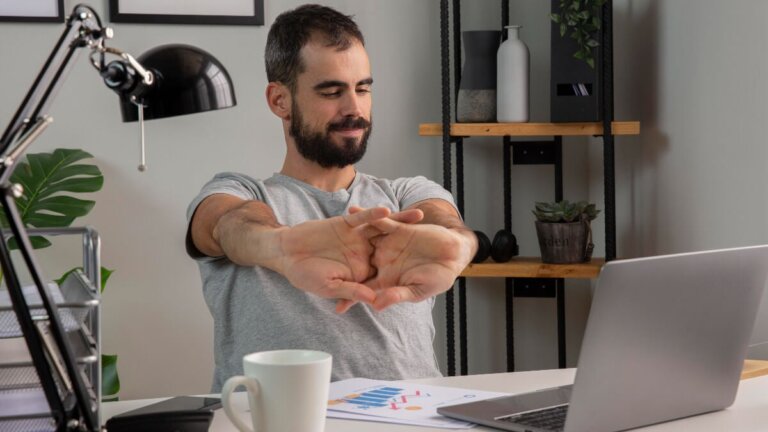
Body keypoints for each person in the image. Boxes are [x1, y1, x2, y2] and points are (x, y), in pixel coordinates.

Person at [186, 4, 478, 391]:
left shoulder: (406, 195)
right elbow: (227, 225)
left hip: (415, 413)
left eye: (363, 88)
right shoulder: (239, 192)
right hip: (276, 416)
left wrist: (460, 246)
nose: (354, 108)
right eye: (331, 91)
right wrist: (282, 247)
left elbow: (446, 224)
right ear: (280, 100)